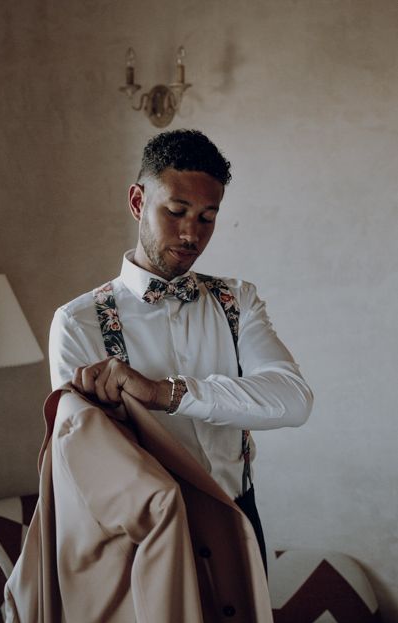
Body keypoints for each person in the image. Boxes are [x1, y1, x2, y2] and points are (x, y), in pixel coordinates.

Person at [48, 129, 313, 566]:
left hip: (239, 520)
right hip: (142, 542)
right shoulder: (78, 322)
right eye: (176, 211)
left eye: (208, 217)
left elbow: (293, 400)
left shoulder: (237, 301)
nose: (192, 233)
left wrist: (165, 393)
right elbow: (82, 462)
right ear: (137, 202)